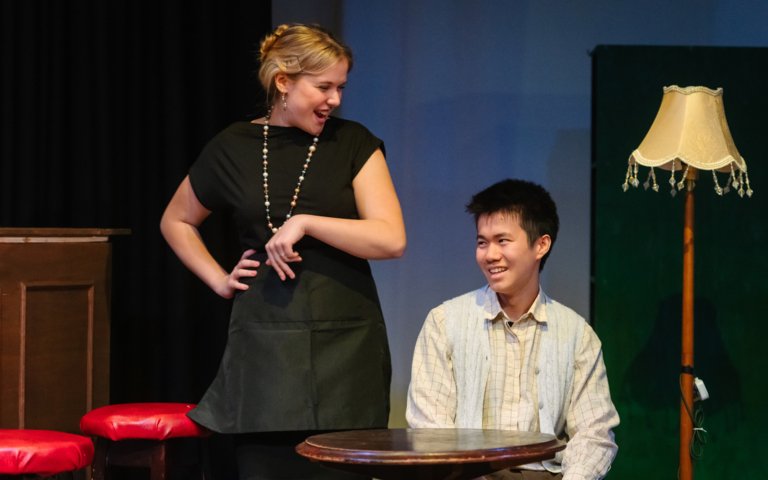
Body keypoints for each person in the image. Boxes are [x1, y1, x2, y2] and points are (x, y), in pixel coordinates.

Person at [160, 23, 406, 480]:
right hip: (266, 345)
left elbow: (390, 238)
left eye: (341, 88)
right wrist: (218, 279)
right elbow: (176, 220)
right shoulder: (233, 146)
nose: (334, 100)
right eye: (324, 86)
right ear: (283, 82)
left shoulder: (353, 143)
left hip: (347, 345)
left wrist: (307, 222)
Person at [406, 179, 618, 480]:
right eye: (482, 242)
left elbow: (594, 432)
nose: (490, 255)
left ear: (541, 245)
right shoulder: (444, 323)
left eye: (502, 241)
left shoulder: (576, 335)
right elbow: (430, 431)